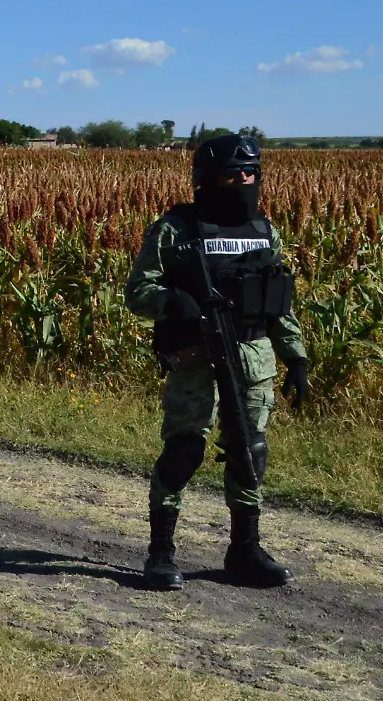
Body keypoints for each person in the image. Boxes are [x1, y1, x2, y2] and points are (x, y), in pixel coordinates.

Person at [125, 134, 307, 590]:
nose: (242, 180)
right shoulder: (175, 228)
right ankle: (161, 553)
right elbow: (137, 293)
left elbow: (278, 304)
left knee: (250, 452)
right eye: (232, 173)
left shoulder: (265, 231)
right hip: (195, 359)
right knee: (184, 453)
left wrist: (296, 357)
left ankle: (244, 550)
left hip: (253, 359)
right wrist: (172, 301)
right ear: (208, 178)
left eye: (250, 173)